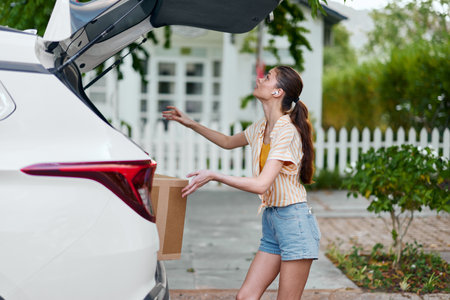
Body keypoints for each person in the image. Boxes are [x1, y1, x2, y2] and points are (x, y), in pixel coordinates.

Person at [162, 65, 320, 300]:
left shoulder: (286, 131)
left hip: (294, 222)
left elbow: (261, 185)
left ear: (278, 92)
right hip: (273, 221)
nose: (260, 79)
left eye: (267, 78)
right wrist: (191, 123)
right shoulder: (261, 127)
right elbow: (227, 141)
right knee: (245, 296)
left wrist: (216, 176)